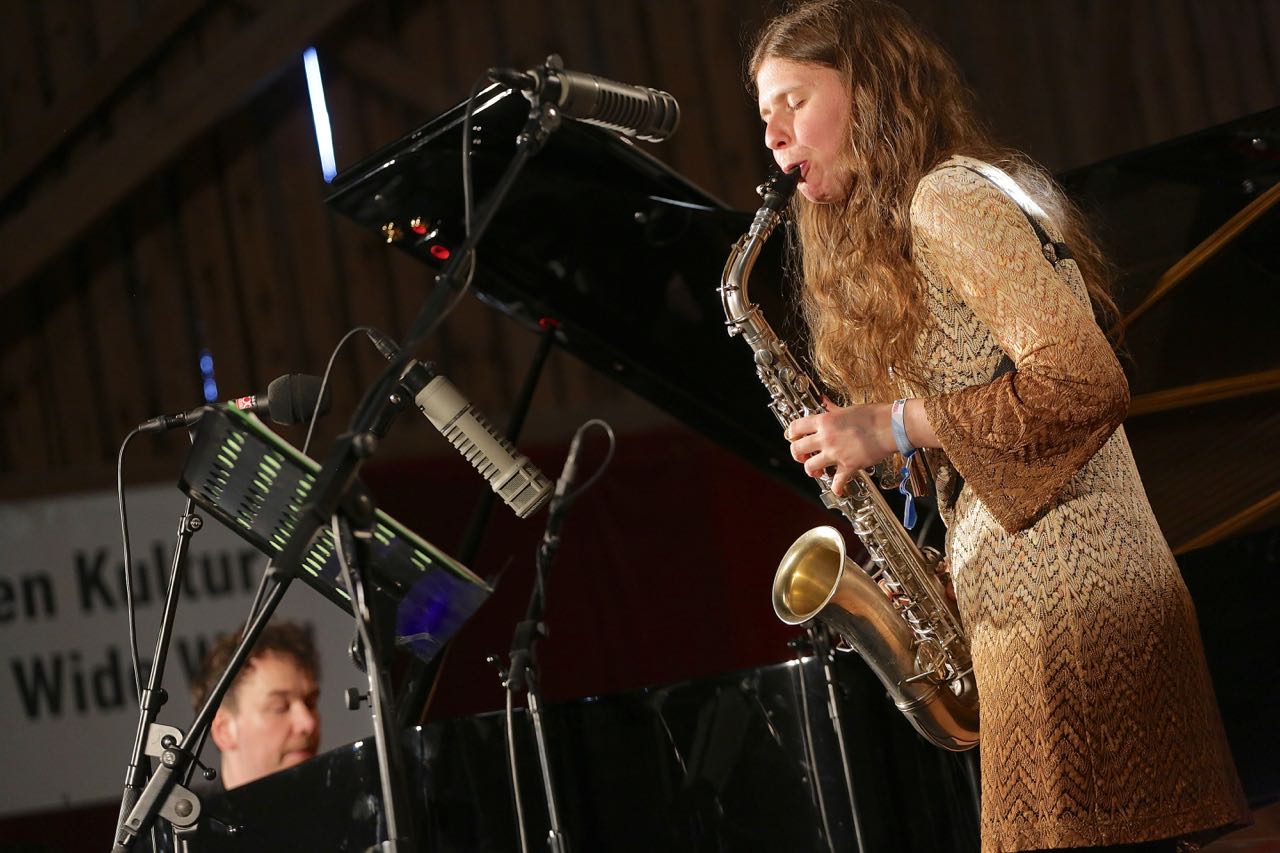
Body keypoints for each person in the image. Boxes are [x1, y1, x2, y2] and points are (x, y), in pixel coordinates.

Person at [749, 2, 1249, 851]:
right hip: (1033, 601)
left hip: (1075, 599)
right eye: (764, 115)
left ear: (870, 89)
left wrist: (894, 425)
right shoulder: (903, 230)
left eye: (793, 101)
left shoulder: (946, 198)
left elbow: (1084, 380)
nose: (772, 134)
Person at [189, 620, 322, 791]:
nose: (308, 723)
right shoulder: (184, 810)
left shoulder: (347, 804)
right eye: (280, 707)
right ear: (224, 730)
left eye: (310, 703)